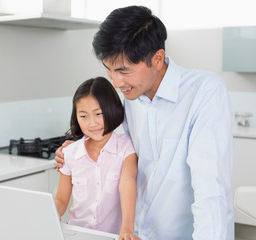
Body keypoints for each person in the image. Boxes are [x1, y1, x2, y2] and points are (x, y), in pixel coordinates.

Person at [55, 5, 234, 240]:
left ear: (157, 59)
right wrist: (78, 148)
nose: (116, 83)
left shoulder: (204, 92)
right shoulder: (130, 97)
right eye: (109, 71)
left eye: (123, 71)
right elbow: (115, 149)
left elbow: (211, 190)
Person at [54, 77, 140, 239]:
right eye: (83, 116)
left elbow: (128, 182)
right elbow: (61, 200)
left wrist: (127, 228)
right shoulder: (69, 153)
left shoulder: (126, 147)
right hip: (78, 235)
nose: (92, 123)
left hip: (114, 236)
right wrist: (50, 216)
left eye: (98, 114)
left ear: (111, 109)